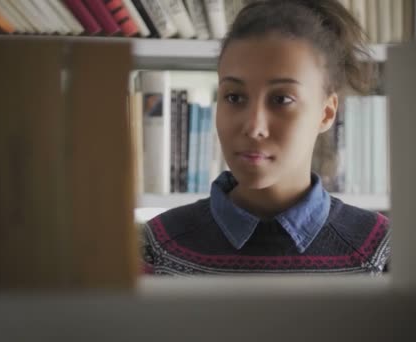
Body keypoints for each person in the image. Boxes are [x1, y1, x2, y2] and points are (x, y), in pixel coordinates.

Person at [141, 0, 390, 275]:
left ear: (327, 113)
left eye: (282, 99)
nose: (253, 126)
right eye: (234, 97)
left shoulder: (383, 253)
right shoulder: (156, 249)